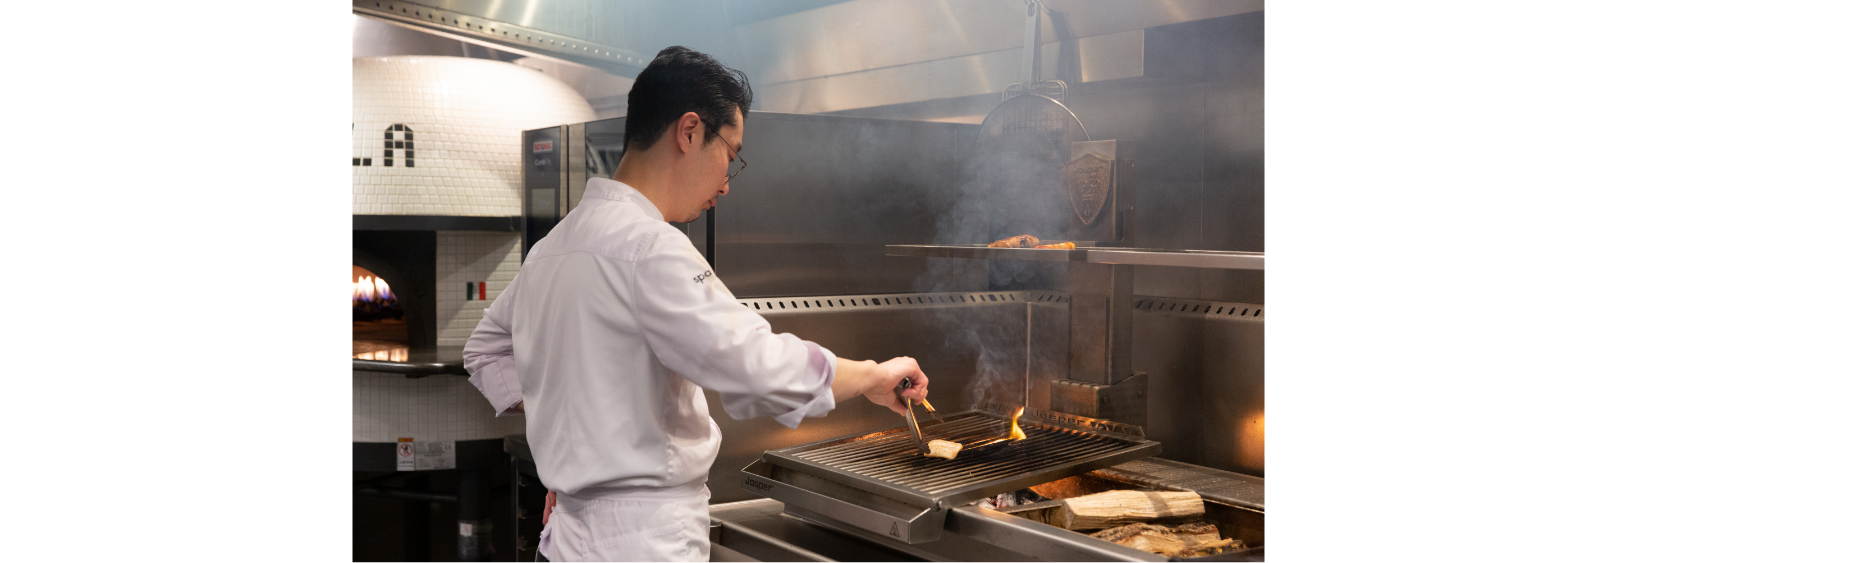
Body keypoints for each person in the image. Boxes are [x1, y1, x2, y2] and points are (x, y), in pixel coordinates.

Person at [462, 46, 930, 563]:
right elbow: (757, 365)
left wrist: (579, 446)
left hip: (568, 539)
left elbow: (483, 349)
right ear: (688, 132)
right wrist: (871, 375)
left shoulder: (553, 247)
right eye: (730, 154)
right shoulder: (649, 247)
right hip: (643, 546)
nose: (727, 184)